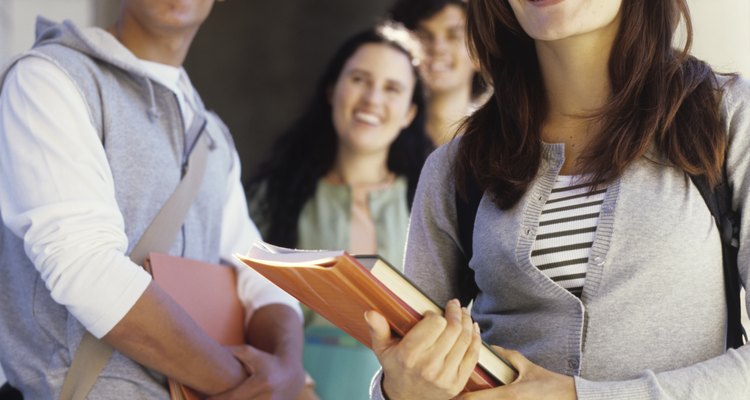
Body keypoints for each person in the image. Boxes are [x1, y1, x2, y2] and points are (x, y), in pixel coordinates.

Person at [365, 0, 750, 399]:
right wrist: (399, 389)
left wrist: (573, 395)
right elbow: (408, 367)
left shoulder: (728, 116)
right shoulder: (453, 168)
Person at [0, 0, 308, 398]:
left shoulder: (211, 135)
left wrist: (287, 367)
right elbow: (85, 268)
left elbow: (256, 268)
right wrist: (242, 386)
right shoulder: (49, 81)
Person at [245, 23, 432, 400]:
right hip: (291, 389)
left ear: (410, 112)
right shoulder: (274, 197)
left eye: (392, 88)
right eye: (360, 79)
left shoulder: (433, 203)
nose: (372, 98)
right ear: (333, 90)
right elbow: (241, 302)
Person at [389, 0, 487, 146]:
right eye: (424, 35)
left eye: (453, 36)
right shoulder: (387, 135)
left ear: (480, 53)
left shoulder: (499, 140)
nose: (437, 47)